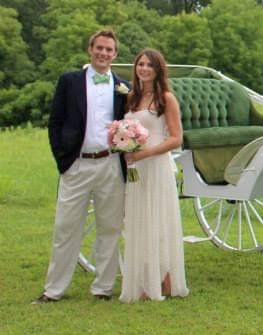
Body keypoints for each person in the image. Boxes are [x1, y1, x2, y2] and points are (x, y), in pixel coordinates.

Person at [34, 29, 128, 303]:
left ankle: (103, 288)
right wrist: (64, 161)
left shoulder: (122, 87)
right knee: (66, 228)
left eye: (109, 50)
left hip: (110, 165)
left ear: (115, 54)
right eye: (99, 48)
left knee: (109, 228)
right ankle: (53, 290)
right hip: (77, 165)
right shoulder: (70, 81)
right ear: (90, 49)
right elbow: (55, 122)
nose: (103, 53)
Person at [119, 48, 189, 302]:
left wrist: (144, 154)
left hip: (156, 166)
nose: (144, 68)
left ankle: (166, 282)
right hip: (136, 170)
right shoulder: (131, 98)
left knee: (159, 222)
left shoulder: (166, 99)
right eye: (141, 64)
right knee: (139, 221)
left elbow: (176, 138)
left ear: (158, 70)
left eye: (150, 65)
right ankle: (143, 281)